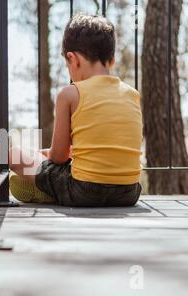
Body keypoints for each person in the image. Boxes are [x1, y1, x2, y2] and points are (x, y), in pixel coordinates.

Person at [9, 13, 143, 207]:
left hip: (83, 191)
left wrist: (49, 154)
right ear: (112, 60)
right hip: (129, 192)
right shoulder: (132, 94)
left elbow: (58, 157)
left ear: (73, 59)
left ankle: (49, 191)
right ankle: (51, 190)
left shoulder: (70, 94)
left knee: (14, 154)